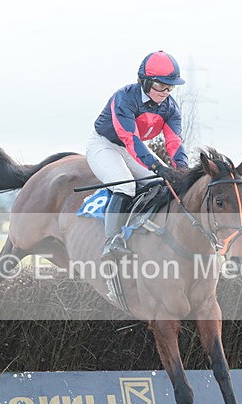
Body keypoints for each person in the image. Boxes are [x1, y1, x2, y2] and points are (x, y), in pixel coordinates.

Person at [86, 50, 189, 258]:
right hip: (104, 145)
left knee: (162, 183)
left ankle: (143, 231)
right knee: (124, 184)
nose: (165, 91)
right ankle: (112, 241)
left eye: (170, 86)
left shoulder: (171, 108)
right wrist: (158, 166)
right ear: (144, 81)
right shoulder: (124, 98)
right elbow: (130, 139)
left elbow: (174, 142)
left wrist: (183, 170)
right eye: (160, 85)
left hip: (131, 148)